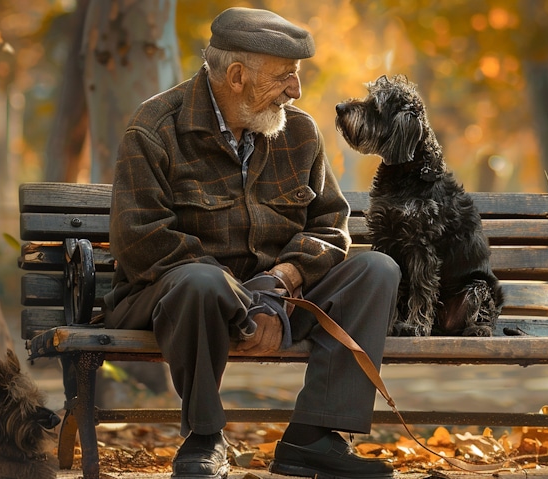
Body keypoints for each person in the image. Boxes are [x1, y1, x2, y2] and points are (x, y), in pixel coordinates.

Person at [104, 7, 400, 479]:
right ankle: (204, 437)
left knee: (376, 270)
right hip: (177, 297)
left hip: (280, 297)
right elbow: (142, 241)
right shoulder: (156, 127)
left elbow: (330, 224)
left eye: (296, 77)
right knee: (200, 283)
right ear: (237, 76)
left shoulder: (299, 131)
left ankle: (313, 437)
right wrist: (244, 301)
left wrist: (278, 283)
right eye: (285, 76)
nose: (295, 91)